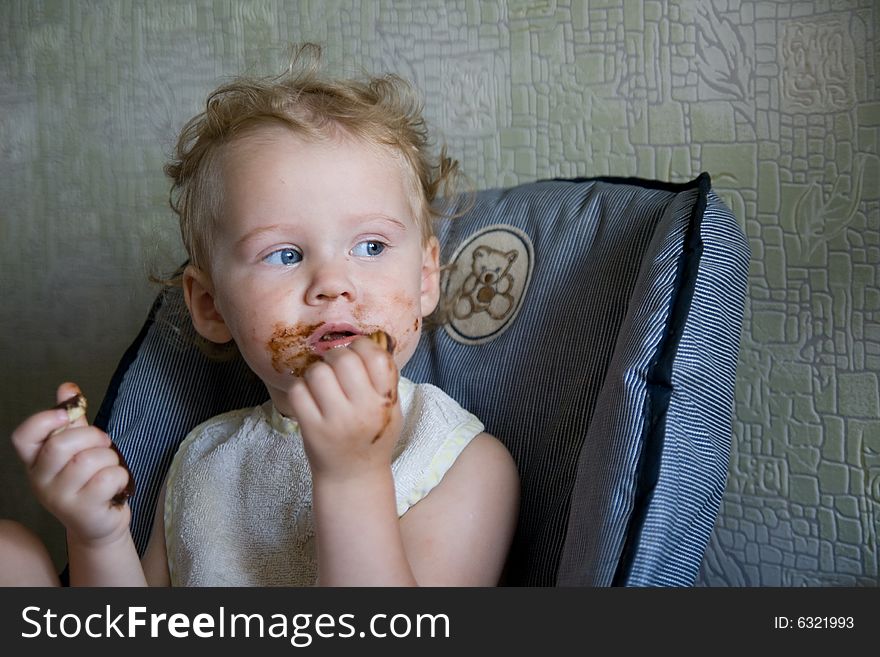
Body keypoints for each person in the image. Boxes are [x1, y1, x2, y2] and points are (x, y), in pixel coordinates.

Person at [2, 45, 520, 586]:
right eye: (286, 255)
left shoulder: (458, 460)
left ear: (424, 280)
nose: (333, 285)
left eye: (370, 247)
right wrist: (97, 535)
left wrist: (352, 480)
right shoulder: (203, 459)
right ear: (210, 306)